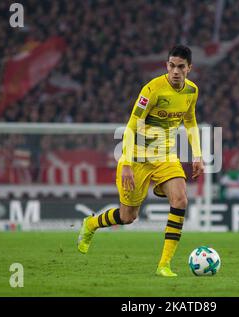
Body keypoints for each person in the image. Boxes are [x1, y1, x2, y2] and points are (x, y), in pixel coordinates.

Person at [77, 45, 204, 277]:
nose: (175, 71)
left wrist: (197, 154)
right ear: (167, 65)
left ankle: (164, 265)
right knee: (128, 217)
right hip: (137, 158)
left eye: (181, 67)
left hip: (165, 156)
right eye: (172, 65)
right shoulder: (152, 89)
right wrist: (125, 162)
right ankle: (91, 224)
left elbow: (190, 121)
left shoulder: (192, 91)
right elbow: (131, 127)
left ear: (189, 69)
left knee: (180, 199)